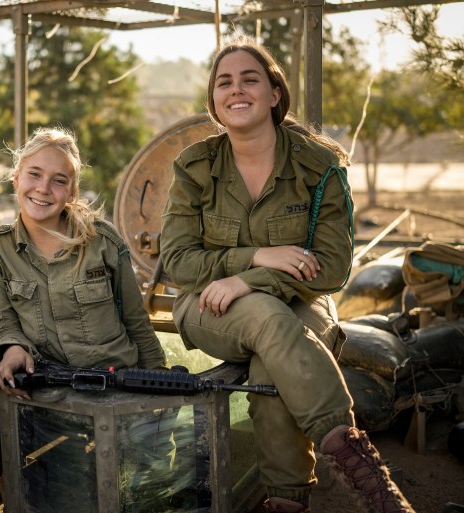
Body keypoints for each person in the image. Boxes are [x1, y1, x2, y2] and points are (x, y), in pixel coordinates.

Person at [160, 37, 415, 513]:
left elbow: (333, 268)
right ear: (214, 101)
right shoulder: (194, 168)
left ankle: (286, 501)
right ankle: (362, 467)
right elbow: (178, 261)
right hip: (206, 305)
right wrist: (257, 257)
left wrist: (248, 281)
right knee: (267, 319)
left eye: (250, 79)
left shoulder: (319, 167)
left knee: (270, 360)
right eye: (224, 82)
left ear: (275, 93)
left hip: (304, 300)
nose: (237, 90)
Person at [0, 126, 166, 396]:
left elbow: (137, 323)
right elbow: (4, 320)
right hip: (47, 397)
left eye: (59, 180)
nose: (43, 189)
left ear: (72, 192)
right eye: (34, 174)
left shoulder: (104, 242)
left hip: (118, 390)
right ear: (16, 178)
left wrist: (159, 394)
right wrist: (14, 348)